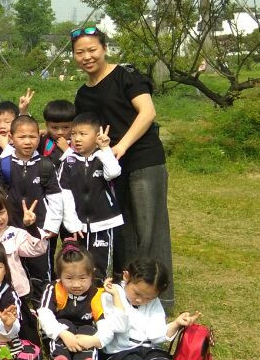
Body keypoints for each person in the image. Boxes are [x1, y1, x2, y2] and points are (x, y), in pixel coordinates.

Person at [72, 26, 174, 311]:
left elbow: (148, 112)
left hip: (143, 159)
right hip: (110, 167)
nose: (87, 56)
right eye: (80, 52)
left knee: (149, 229)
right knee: (121, 228)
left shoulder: (126, 76)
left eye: (92, 49)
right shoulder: (83, 94)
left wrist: (122, 145)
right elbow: (83, 132)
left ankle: (161, 299)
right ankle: (127, 295)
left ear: (104, 48)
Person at [85, 258, 200, 360]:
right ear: (126, 277)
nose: (141, 300)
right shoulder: (110, 294)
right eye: (137, 293)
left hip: (147, 347)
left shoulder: (153, 302)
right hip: (119, 352)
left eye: (149, 298)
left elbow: (155, 334)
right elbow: (119, 326)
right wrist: (117, 297)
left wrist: (176, 324)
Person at [0, 114, 62, 303]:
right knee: (13, 267)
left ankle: (42, 305)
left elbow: (55, 198)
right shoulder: (5, 164)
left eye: (32, 137)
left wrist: (51, 227)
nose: (27, 142)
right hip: (10, 226)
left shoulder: (45, 165)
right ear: (11, 138)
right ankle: (15, 303)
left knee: (41, 268)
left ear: (39, 138)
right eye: (22, 137)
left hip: (37, 227)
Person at [37, 241, 109, 360]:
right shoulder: (54, 289)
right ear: (59, 276)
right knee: (65, 324)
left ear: (92, 274)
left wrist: (94, 340)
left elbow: (105, 324)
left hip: (84, 335)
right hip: (59, 332)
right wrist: (63, 333)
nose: (76, 284)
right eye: (69, 278)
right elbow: (44, 314)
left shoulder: (97, 294)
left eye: (83, 278)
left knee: (89, 330)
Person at [57, 113, 122, 279]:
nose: (77, 139)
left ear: (97, 136)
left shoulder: (103, 157)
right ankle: (76, 290)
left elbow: (114, 172)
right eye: (73, 134)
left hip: (103, 222)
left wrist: (105, 149)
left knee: (99, 263)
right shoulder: (68, 162)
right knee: (76, 262)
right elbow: (64, 194)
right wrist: (72, 223)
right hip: (77, 226)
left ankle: (99, 288)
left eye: (83, 134)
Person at [39, 99, 76, 165]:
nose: (60, 132)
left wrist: (67, 150)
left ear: (74, 125)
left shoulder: (77, 142)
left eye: (66, 127)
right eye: (55, 128)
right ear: (47, 125)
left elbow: (81, 165)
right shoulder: (44, 140)